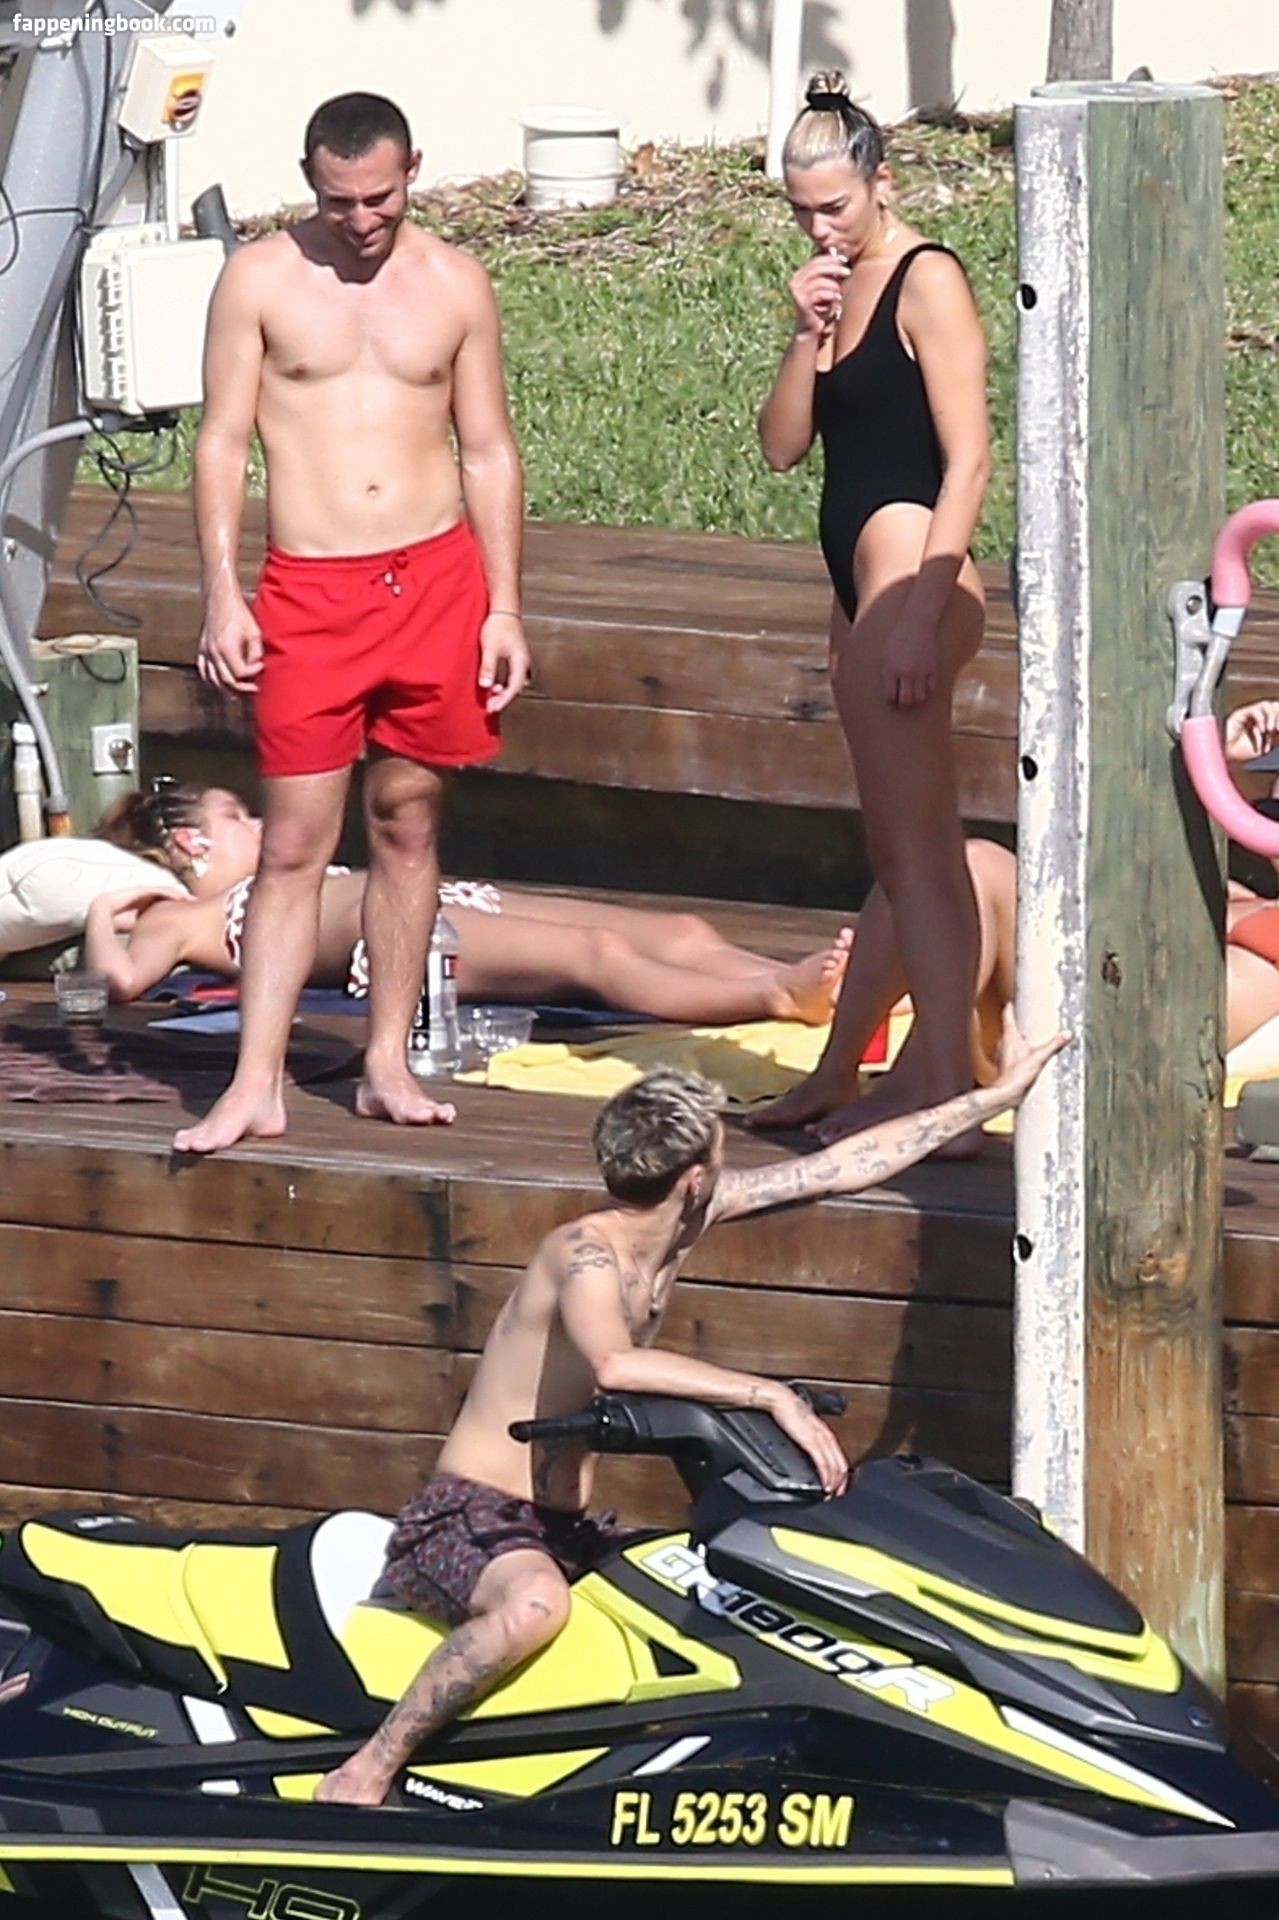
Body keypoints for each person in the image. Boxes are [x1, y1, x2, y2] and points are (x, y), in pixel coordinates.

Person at [313, 1016, 1067, 1806]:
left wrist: (994, 1097)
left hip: (565, 1523)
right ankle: (367, 1769)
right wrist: (767, 1393)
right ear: (696, 1177)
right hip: (470, 1515)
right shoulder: (585, 1254)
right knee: (535, 1606)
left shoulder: (685, 1220)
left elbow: (839, 1167)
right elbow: (615, 1364)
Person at [179, 91, 529, 1155]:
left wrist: (505, 605)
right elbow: (222, 439)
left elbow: (488, 450)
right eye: (341, 202)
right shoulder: (260, 279)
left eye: (380, 197)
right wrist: (222, 593)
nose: (363, 219)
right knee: (292, 842)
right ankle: (255, 1081)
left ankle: (386, 1062)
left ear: (411, 170)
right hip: (310, 589)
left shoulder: (456, 283)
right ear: (309, 179)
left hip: (433, 580)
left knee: (408, 824)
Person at [752, 72, 991, 1150]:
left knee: (921, 853)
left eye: (836, 207)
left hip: (910, 569)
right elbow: (781, 448)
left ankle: (941, 1083)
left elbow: (969, 459)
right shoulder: (831, 290)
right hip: (859, 583)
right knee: (898, 850)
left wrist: (917, 613)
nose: (821, 229)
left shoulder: (926, 277)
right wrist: (804, 330)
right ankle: (857, 1069)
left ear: (880, 183)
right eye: (802, 211)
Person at [88, 782, 853, 1029]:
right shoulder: (179, 916)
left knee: (681, 929)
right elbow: (117, 984)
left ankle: (821, 983)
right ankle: (773, 994)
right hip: (401, 941)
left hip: (447, 900)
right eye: (235, 816)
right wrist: (103, 915)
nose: (258, 822)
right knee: (596, 956)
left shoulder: (288, 873)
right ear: (189, 842)